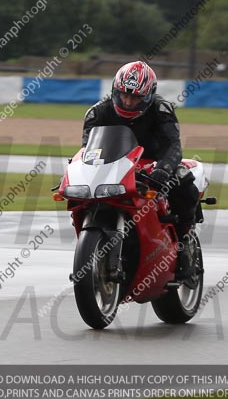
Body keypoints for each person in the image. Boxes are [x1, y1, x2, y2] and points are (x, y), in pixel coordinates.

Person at [81, 61, 201, 281]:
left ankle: (185, 241)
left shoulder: (162, 110)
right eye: (124, 95)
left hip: (154, 163)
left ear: (148, 96)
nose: (128, 102)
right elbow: (88, 151)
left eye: (135, 98)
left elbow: (173, 146)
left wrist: (163, 170)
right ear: (115, 91)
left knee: (183, 181)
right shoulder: (97, 113)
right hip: (116, 165)